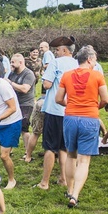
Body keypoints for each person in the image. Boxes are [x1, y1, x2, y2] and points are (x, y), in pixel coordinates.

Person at [56, 46, 108, 207]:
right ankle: (75, 195)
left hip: (70, 117)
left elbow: (58, 99)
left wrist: (71, 104)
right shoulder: (97, 76)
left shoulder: (66, 75)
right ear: (89, 59)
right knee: (84, 160)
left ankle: (69, 189)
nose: (95, 62)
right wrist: (93, 107)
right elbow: (106, 99)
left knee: (71, 155)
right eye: (95, 59)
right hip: (90, 118)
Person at [35, 36, 78, 191]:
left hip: (54, 109)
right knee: (64, 147)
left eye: (58, 49)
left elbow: (46, 84)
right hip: (70, 110)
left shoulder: (56, 63)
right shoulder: (78, 64)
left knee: (49, 147)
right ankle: (63, 179)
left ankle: (44, 182)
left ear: (65, 49)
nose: (56, 52)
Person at [7, 53, 36, 150]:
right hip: (15, 103)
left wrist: (11, 83)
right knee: (12, 126)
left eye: (13, 62)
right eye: (11, 62)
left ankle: (27, 152)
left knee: (24, 127)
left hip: (26, 103)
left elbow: (24, 89)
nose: (11, 64)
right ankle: (8, 150)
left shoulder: (28, 74)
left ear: (21, 62)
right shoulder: (12, 73)